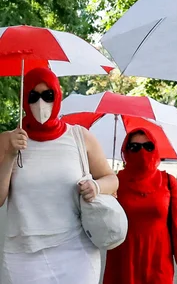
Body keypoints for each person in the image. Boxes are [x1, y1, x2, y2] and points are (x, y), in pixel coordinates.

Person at [0, 67, 119, 283]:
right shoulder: (8, 140)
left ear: (58, 96)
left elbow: (112, 179)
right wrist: (9, 155)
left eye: (48, 96)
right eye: (33, 96)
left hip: (76, 250)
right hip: (23, 254)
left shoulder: (79, 137)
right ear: (24, 100)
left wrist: (96, 187)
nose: (40, 104)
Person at [103, 121, 177, 284]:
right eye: (135, 147)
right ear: (126, 150)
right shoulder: (115, 181)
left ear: (155, 149)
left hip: (158, 260)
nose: (142, 152)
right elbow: (103, 220)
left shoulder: (168, 182)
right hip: (124, 258)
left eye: (148, 146)